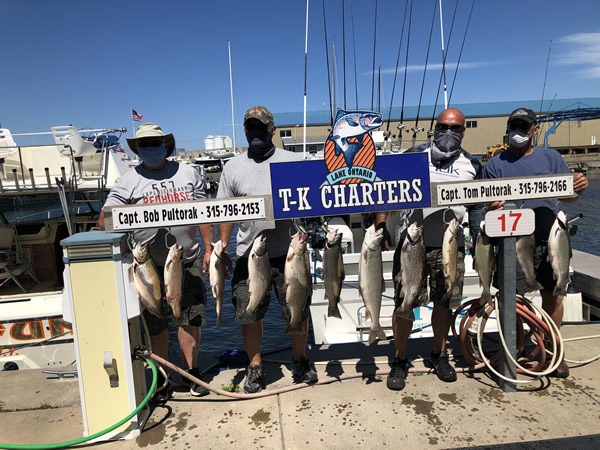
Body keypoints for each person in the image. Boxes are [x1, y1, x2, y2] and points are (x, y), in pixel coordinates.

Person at [99, 123, 213, 399]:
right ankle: (163, 377)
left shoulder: (188, 173)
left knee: (189, 319)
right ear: (138, 149)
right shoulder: (126, 181)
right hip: (147, 266)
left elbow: (205, 215)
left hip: (187, 260)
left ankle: (191, 371)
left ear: (166, 145)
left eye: (155, 143)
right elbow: (105, 220)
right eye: (144, 144)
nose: (150, 148)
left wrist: (210, 249)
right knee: (156, 324)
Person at [376, 107, 485, 391]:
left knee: (445, 302)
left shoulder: (471, 164)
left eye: (455, 128)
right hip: (412, 244)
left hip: (450, 245)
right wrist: (381, 222)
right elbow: (384, 189)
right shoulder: (413, 157)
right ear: (434, 128)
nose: (448, 133)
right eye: (443, 127)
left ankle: (438, 354)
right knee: (405, 302)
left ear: (463, 131)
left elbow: (477, 206)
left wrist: (479, 240)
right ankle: (399, 359)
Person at [211, 106, 317, 394]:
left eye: (261, 127)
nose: (255, 132)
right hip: (250, 254)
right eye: (250, 128)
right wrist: (222, 247)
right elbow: (225, 212)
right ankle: (255, 365)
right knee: (249, 312)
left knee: (297, 309)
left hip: (290, 253)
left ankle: (300, 359)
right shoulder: (232, 167)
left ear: (272, 130)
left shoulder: (294, 161)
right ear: (245, 131)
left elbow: (320, 191)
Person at [482, 107, 589, 378]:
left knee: (554, 296)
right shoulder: (495, 164)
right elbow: (486, 207)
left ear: (535, 129)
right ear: (508, 129)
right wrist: (492, 207)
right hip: (512, 241)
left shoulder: (551, 158)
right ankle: (516, 346)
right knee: (511, 299)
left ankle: (553, 349)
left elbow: (569, 198)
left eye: (524, 126)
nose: (519, 131)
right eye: (514, 126)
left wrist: (576, 189)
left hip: (549, 239)